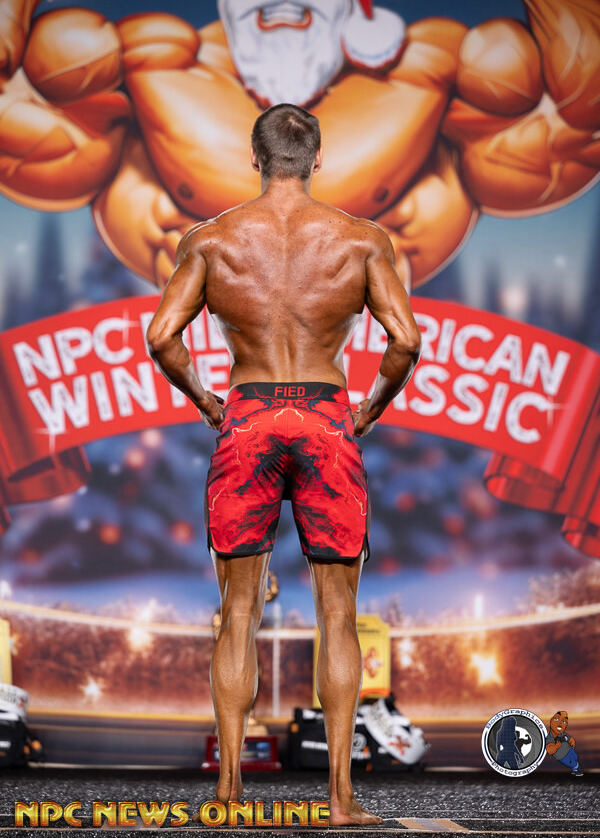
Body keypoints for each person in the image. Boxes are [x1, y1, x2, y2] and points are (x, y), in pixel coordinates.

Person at [0, 0, 599, 293]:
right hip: (206, 403)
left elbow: (583, 123)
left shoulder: (431, 77)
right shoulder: (146, 67)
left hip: (356, 402)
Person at [146, 104, 421, 826]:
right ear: (318, 158)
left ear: (255, 157)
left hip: (249, 418)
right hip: (327, 419)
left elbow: (162, 335)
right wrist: (370, 407)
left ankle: (229, 796)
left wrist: (207, 399)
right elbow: (405, 340)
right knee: (339, 614)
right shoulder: (362, 241)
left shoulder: (211, 240)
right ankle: (340, 800)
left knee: (238, 612)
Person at [546, 711, 583, 776]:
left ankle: (575, 770)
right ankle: (577, 769)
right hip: (561, 756)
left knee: (575, 758)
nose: (560, 723)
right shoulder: (549, 738)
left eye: (564, 721)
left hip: (569, 750)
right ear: (551, 721)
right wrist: (556, 746)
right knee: (571, 763)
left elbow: (570, 739)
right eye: (556, 719)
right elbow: (549, 750)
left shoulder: (563, 734)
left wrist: (572, 745)